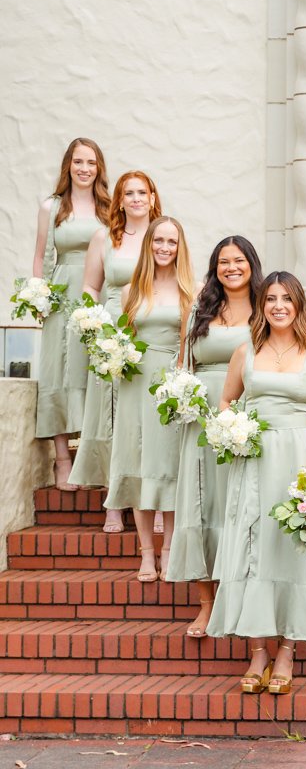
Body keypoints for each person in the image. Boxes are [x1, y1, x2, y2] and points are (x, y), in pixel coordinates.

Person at [208, 272, 306, 695]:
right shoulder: (245, 351)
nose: (279, 305)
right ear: (262, 306)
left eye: (287, 298)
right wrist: (233, 429)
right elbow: (226, 401)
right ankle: (258, 651)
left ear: (299, 304)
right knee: (255, 550)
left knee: (293, 551)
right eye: (271, 299)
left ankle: (288, 650)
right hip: (254, 461)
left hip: (298, 460)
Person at [165, 236, 262, 638]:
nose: (231, 267)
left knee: (236, 505)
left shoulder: (264, 309)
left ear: (251, 264)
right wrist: (178, 393)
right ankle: (206, 605)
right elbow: (184, 362)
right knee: (199, 506)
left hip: (244, 416)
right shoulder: (200, 308)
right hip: (200, 420)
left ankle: (236, 600)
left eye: (238, 260)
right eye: (223, 261)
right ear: (214, 267)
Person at [68, 171, 164, 533]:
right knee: (111, 417)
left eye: (143, 192)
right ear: (120, 200)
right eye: (129, 193)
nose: (136, 198)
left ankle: (155, 502)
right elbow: (91, 288)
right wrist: (93, 326)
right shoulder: (104, 238)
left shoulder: (164, 235)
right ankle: (114, 501)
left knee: (149, 420)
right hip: (112, 335)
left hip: (152, 330)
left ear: (153, 197)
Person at [105, 216, 195, 583]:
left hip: (169, 386)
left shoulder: (191, 291)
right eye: (158, 240)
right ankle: (145, 552)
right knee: (137, 461)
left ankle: (170, 548)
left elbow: (188, 346)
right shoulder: (131, 291)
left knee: (167, 464)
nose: (164, 247)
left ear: (180, 247)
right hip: (134, 385)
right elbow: (123, 340)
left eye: (171, 242)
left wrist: (179, 385)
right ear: (149, 244)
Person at [32, 138, 111, 488]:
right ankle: (62, 459)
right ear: (68, 165)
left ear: (99, 168)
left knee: (94, 370)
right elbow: (39, 255)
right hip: (62, 294)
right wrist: (38, 295)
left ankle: (92, 459)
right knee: (59, 371)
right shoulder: (52, 207)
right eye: (78, 161)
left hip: (100, 293)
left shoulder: (109, 208)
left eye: (91, 162)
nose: (84, 168)